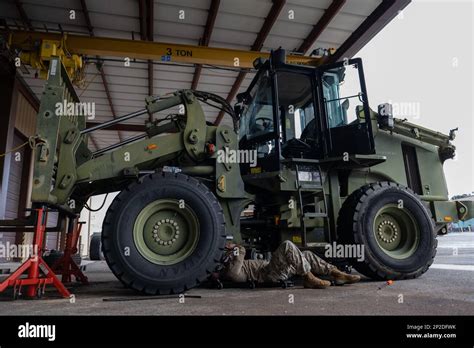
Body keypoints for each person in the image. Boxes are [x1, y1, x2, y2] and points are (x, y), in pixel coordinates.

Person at [221, 240, 360, 289]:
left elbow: (237, 256)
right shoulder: (231, 272)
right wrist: (236, 247)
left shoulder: (232, 264)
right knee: (287, 245)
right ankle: (308, 277)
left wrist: (232, 252)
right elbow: (240, 253)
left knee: (306, 255)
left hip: (273, 269)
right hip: (269, 274)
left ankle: (337, 274)